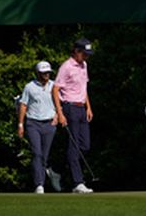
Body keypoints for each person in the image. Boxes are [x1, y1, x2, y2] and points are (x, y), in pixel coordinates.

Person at [53, 38, 94, 193]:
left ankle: (56, 169)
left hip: (82, 108)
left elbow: (84, 88)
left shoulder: (84, 65)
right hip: (69, 108)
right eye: (84, 53)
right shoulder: (66, 67)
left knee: (85, 146)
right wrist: (60, 112)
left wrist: (88, 107)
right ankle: (78, 183)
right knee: (74, 145)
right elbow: (55, 90)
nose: (86, 57)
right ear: (76, 51)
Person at [17, 61, 61, 194]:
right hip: (33, 123)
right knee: (37, 153)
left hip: (49, 124)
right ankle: (39, 184)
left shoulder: (54, 85)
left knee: (44, 156)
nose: (46, 75)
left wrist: (58, 115)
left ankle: (52, 174)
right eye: (43, 73)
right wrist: (20, 124)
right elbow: (23, 105)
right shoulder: (29, 87)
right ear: (38, 73)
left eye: (48, 72)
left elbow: (59, 102)